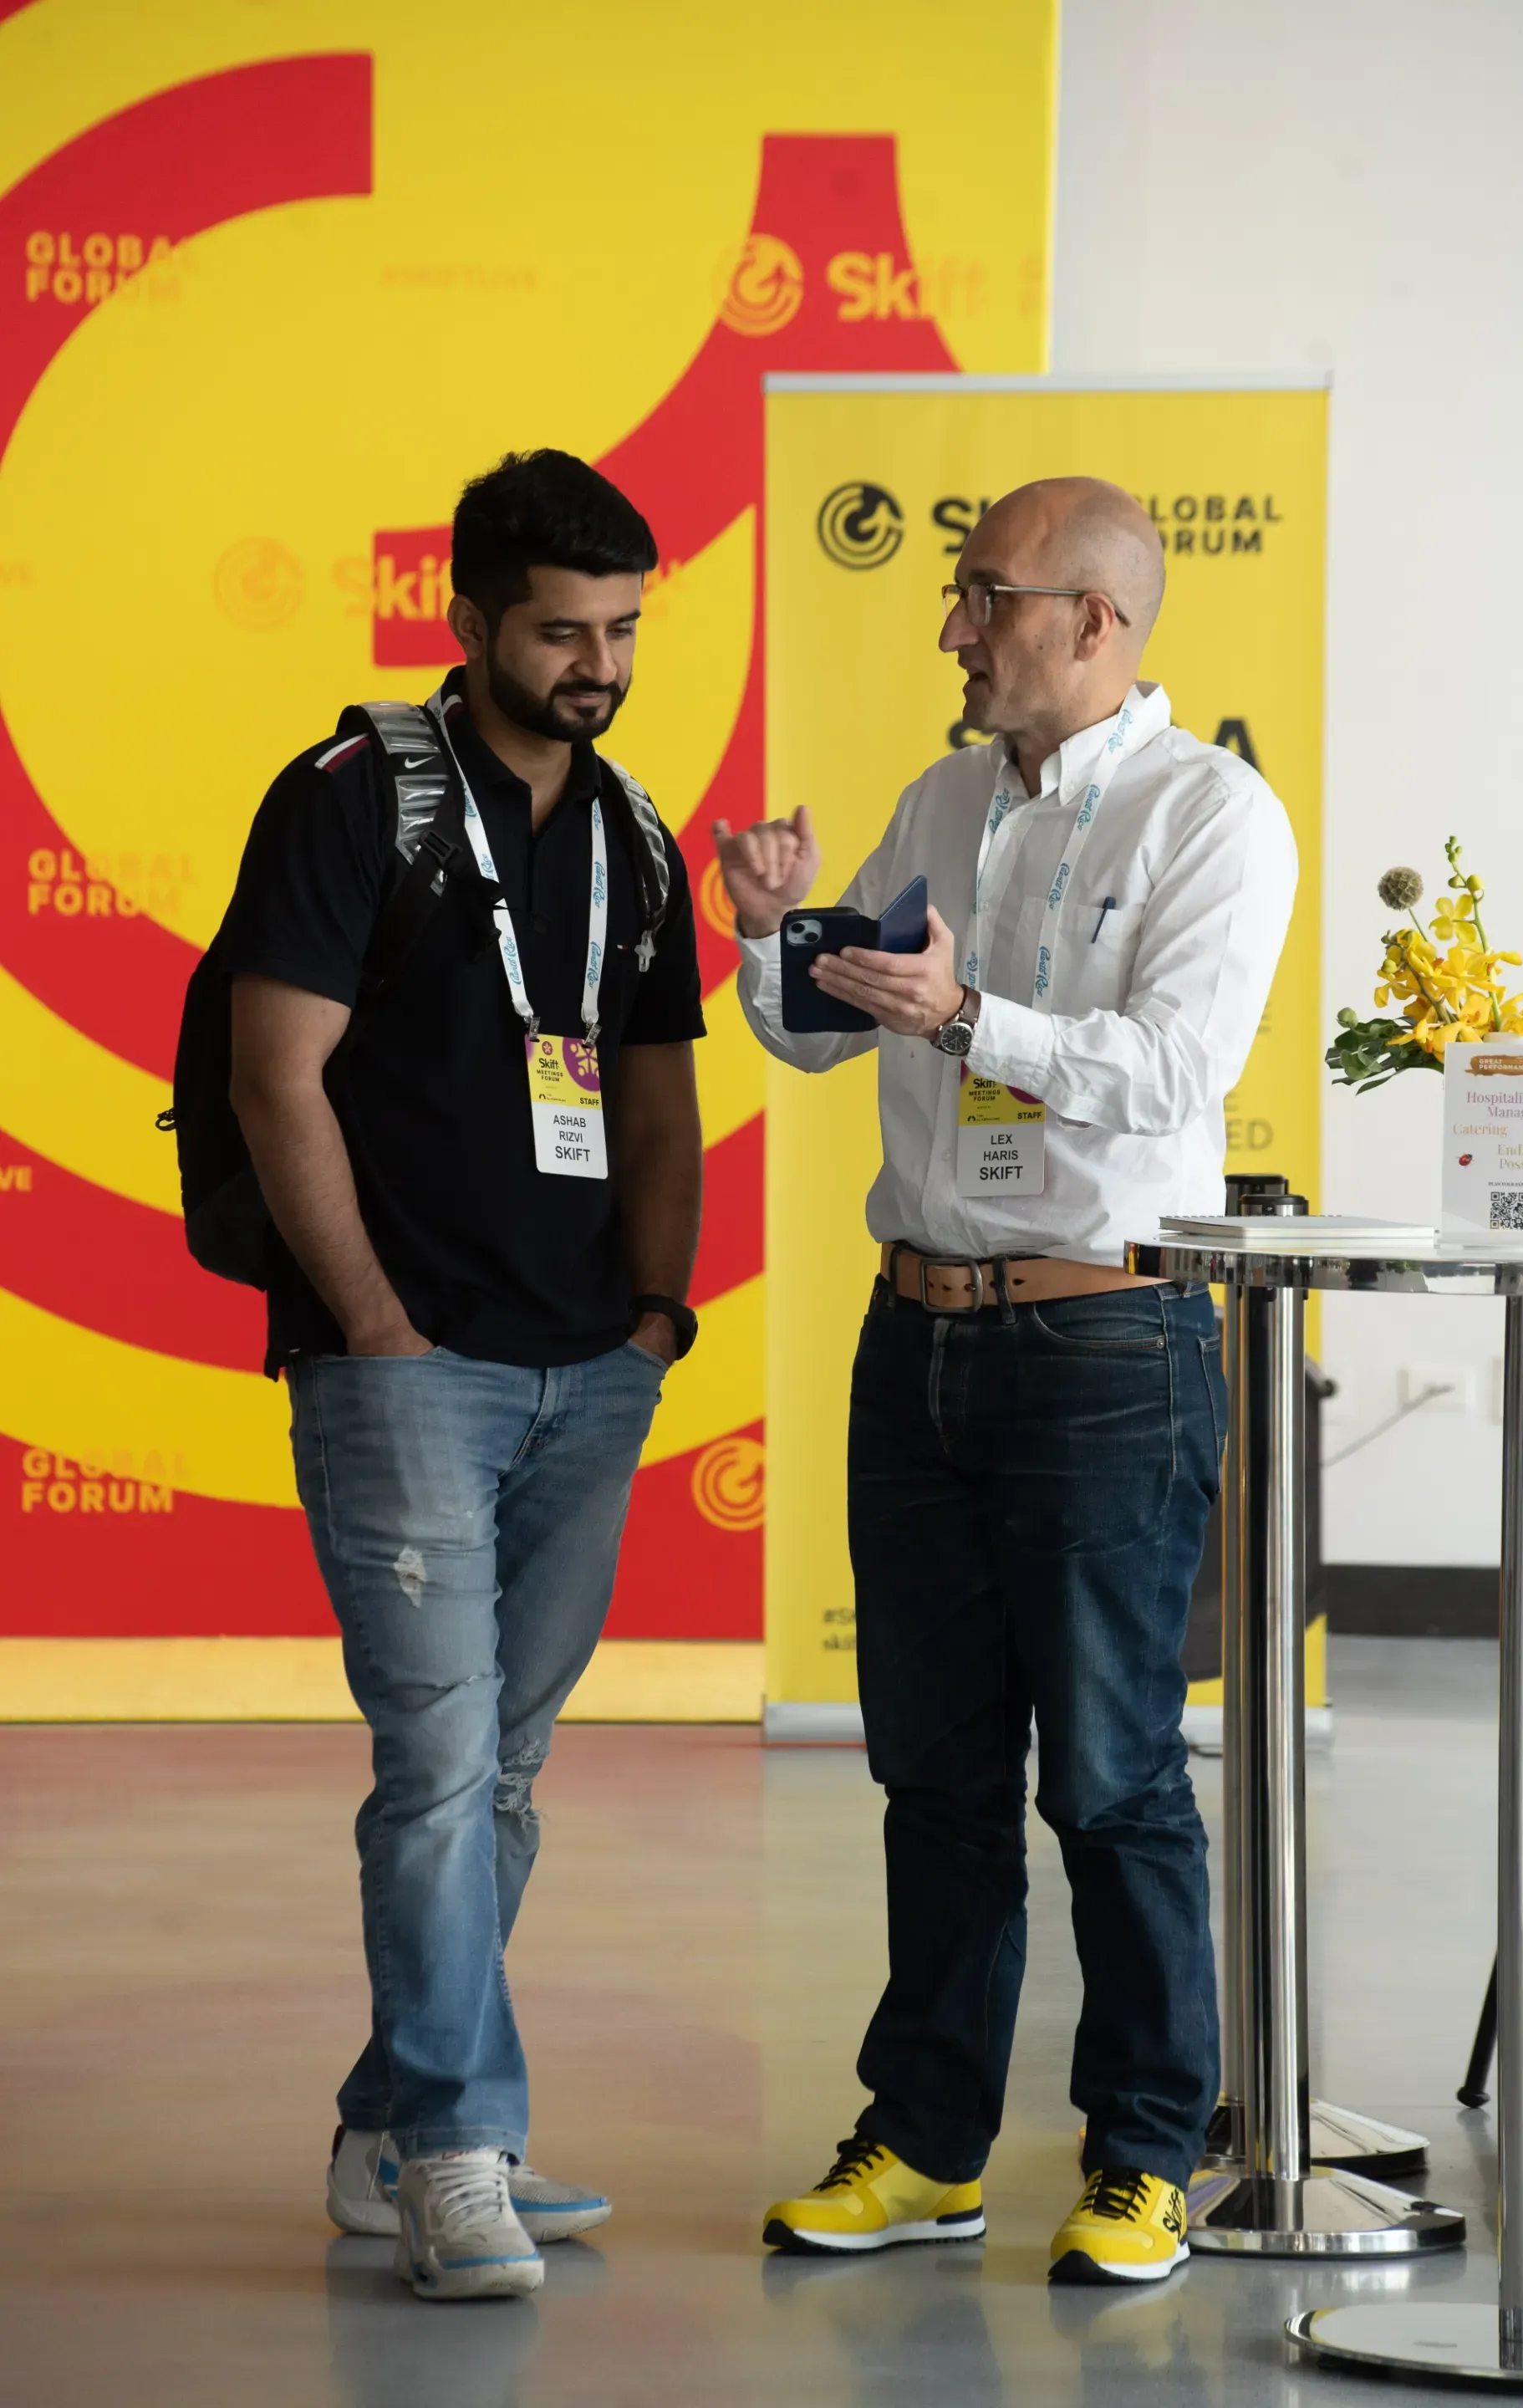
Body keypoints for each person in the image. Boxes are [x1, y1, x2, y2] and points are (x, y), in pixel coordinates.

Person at [716, 477, 1296, 2285]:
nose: (953, 628)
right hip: (920, 1336)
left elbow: (1175, 1070)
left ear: (1093, 623)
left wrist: (968, 1016)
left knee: (1112, 1775)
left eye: (985, 597)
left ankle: (1143, 2155)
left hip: (1104, 1342)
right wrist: (772, 936)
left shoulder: (1214, 812)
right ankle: (927, 2143)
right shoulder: (947, 798)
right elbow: (831, 1029)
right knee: (935, 1771)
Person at [220, 450, 705, 2301]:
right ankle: (455, 2154)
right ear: (470, 618)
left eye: (624, 631)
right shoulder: (354, 797)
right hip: (406, 1367)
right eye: (564, 632)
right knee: (436, 1766)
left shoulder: (636, 833)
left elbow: (653, 1089)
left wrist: (653, 1317)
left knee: (498, 1774)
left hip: (591, 1367)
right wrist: (370, 1325)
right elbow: (275, 1074)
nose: (600, 666)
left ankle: (388, 2130)